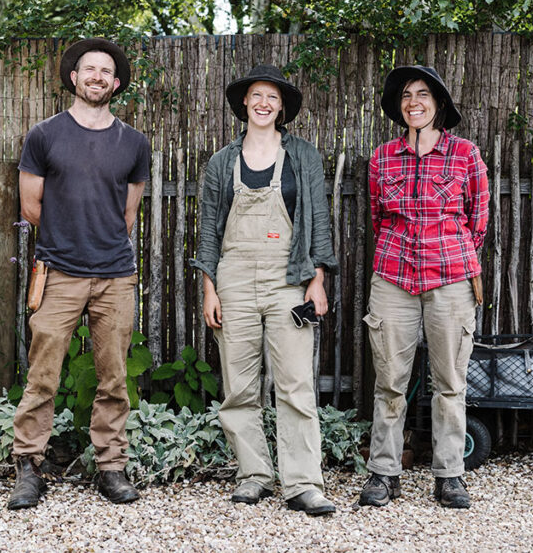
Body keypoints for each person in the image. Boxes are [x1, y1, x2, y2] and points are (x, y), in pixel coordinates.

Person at [8, 38, 151, 509]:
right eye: (89, 69)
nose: (97, 77)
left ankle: (111, 467)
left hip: (115, 276)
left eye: (106, 71)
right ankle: (29, 467)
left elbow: (127, 215)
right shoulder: (45, 135)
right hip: (59, 272)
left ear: (116, 83)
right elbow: (32, 208)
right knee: (43, 374)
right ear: (74, 78)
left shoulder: (134, 143)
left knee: (113, 377)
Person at [192, 64, 338, 516]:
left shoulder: (303, 157)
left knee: (295, 384)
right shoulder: (221, 162)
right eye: (256, 95)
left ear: (282, 108)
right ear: (244, 104)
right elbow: (209, 232)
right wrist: (209, 288)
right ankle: (253, 474)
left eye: (272, 98)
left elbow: (317, 220)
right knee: (239, 386)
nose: (263, 103)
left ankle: (302, 483)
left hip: (288, 278)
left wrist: (318, 279)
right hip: (233, 278)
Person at [360, 65, 489, 510]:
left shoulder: (466, 155)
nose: (413, 102)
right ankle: (383, 473)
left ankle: (450, 475)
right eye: (406, 96)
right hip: (393, 278)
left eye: (422, 95)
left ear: (439, 104)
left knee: (449, 382)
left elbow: (478, 221)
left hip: (451, 279)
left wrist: (451, 254)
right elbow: (378, 219)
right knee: (390, 382)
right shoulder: (382, 158)